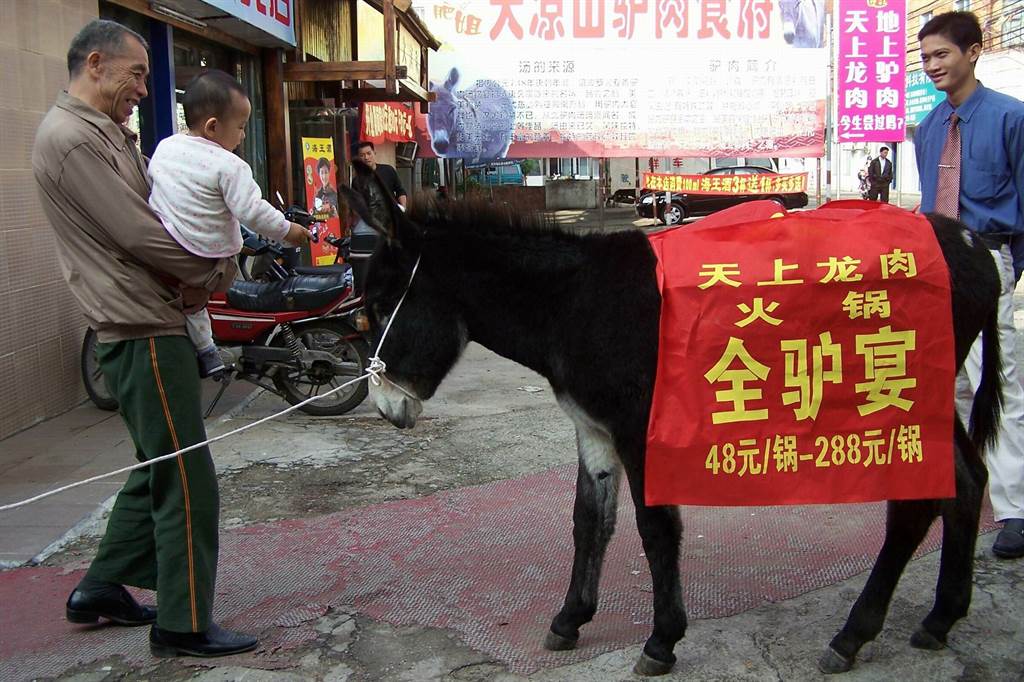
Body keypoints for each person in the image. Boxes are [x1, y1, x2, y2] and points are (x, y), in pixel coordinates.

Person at [32, 19, 260, 656]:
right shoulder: (74, 139)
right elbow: (141, 234)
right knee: (187, 475)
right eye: (137, 74)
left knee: (157, 463)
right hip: (144, 325)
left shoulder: (102, 133)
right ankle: (183, 622)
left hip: (151, 318)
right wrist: (212, 272)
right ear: (96, 64)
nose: (143, 88)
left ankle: (103, 583)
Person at [915, 10, 1024, 559]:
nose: (932, 66)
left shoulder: (1012, 118)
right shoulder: (930, 128)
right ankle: (957, 481)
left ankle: (1014, 509)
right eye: (926, 57)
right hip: (936, 268)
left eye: (942, 55)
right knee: (943, 384)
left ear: (974, 52)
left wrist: (1005, 270)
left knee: (997, 380)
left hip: (986, 261)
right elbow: (930, 202)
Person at [147, 69, 310, 378]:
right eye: (241, 127)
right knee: (198, 299)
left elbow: (154, 182)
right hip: (205, 253)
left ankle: (207, 350)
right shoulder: (230, 165)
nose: (243, 135)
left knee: (191, 305)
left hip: (165, 246)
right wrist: (289, 232)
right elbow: (253, 212)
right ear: (212, 127)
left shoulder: (166, 147)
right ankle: (209, 350)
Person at [349, 140, 408, 291]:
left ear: (375, 154)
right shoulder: (356, 181)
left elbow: (400, 191)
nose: (366, 158)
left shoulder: (388, 171)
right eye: (362, 155)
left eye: (369, 154)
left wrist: (403, 210)